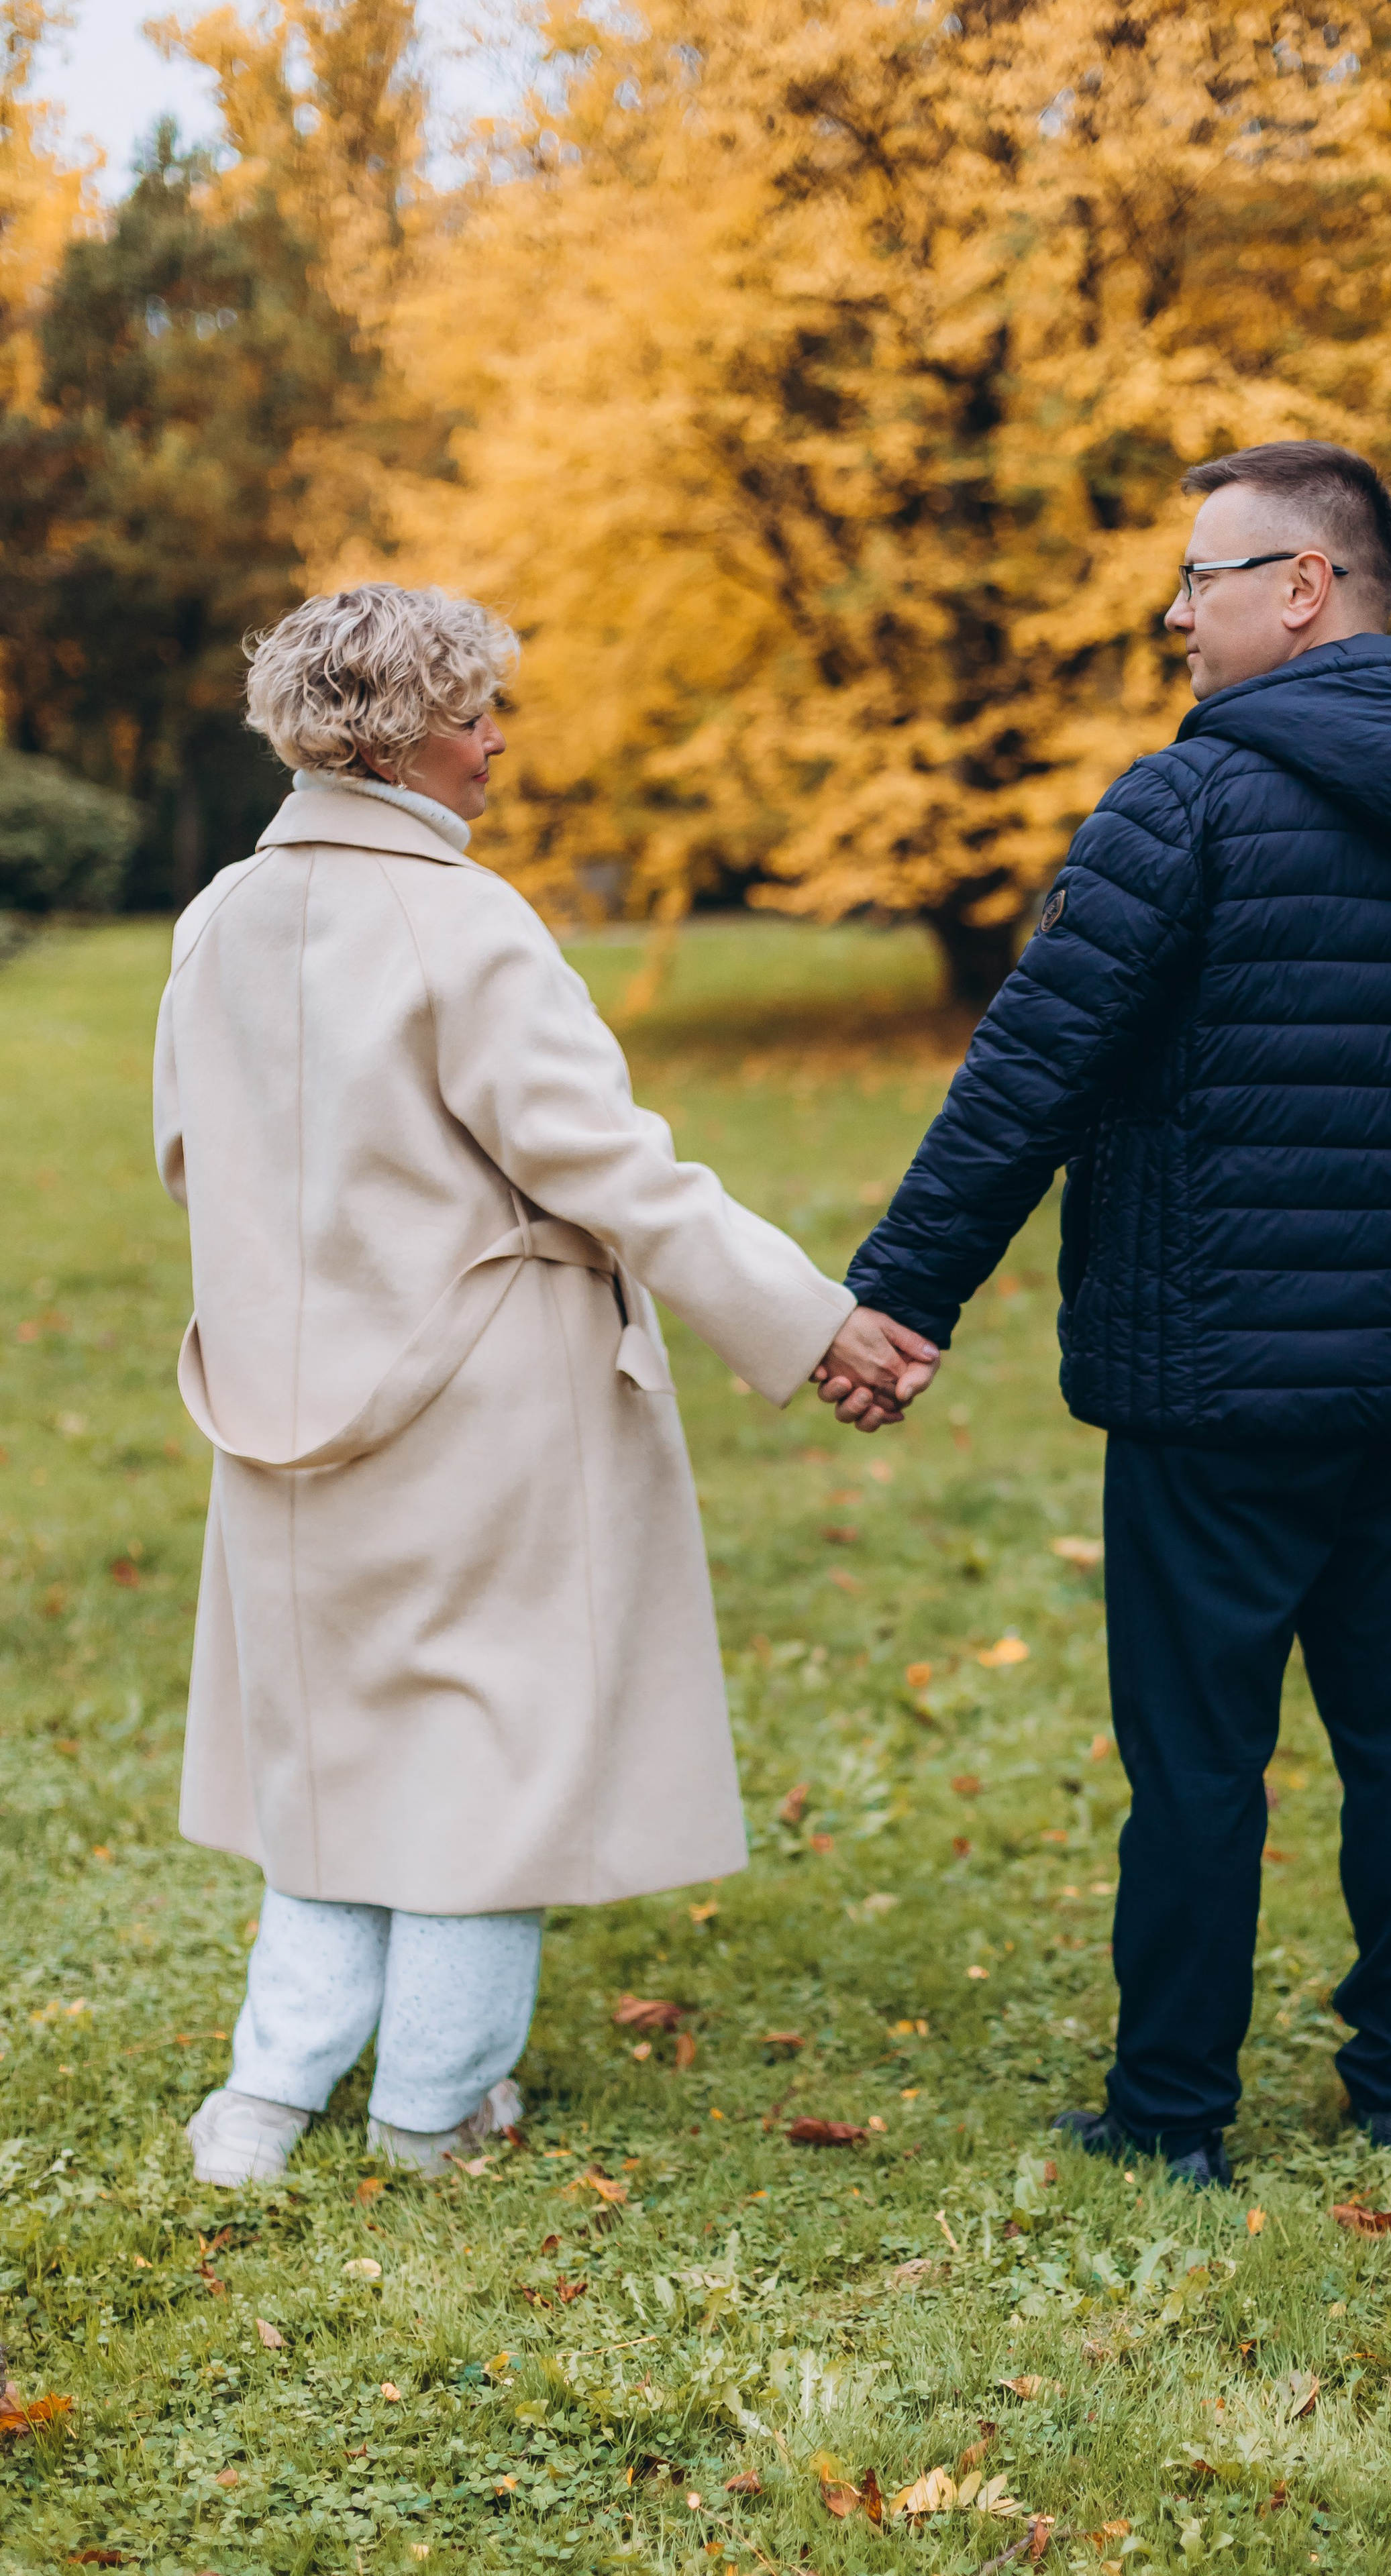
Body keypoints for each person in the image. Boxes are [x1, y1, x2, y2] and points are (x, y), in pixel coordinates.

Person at [837, 441, 1391, 2186]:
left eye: (1204, 577)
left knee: (1198, 1757)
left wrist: (900, 1297)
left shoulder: (1182, 810)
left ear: (1306, 587)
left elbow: (1030, 1073)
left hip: (1214, 1381)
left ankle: (1172, 2113)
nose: (1177, 614)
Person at [158, 583, 937, 2186]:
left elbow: (188, 1157)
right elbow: (612, 1171)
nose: (496, 738)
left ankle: (260, 2107)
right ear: (395, 736)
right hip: (478, 1401)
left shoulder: (219, 914)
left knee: (333, 1748)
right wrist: (811, 1323)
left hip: (281, 1395)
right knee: (483, 1761)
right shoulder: (463, 921)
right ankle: (434, 2106)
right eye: (472, 712)